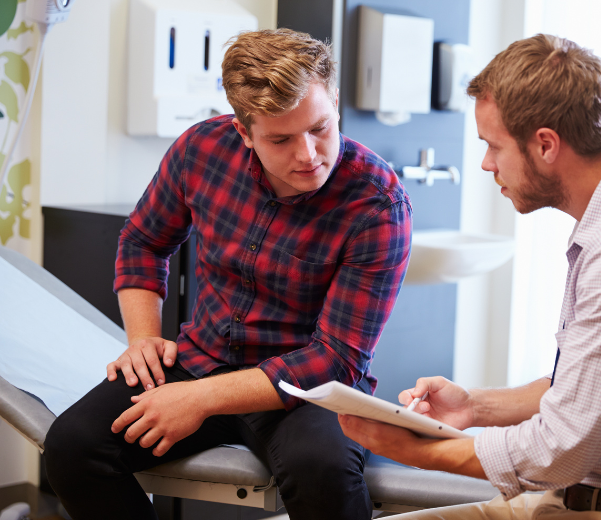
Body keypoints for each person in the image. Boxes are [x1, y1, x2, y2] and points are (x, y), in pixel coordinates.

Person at [339, 33, 601, 519]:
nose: (486, 163)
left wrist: (418, 453)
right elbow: (579, 393)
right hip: (580, 499)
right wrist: (471, 405)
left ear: (546, 144)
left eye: (494, 145)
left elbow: (560, 448)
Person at [43, 29, 412, 520]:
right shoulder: (203, 149)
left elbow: (336, 358)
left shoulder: (378, 204)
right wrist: (144, 340)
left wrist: (198, 398)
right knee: (72, 448)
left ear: (336, 103)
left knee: (321, 469)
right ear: (243, 131)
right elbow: (143, 241)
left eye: (321, 127)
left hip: (307, 388)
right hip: (202, 357)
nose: (308, 154)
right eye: (280, 138)